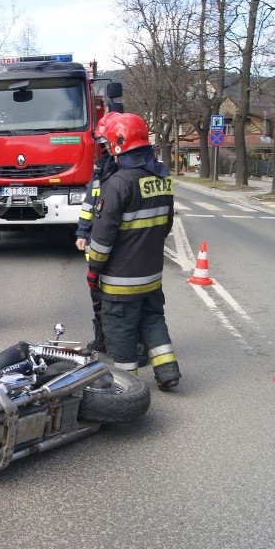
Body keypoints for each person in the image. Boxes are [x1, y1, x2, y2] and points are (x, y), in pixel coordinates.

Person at [87, 113, 181, 391]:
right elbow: (166, 225)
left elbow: (103, 238)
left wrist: (94, 270)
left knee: (120, 329)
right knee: (152, 320)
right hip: (152, 274)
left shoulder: (118, 183)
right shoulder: (162, 178)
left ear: (118, 144)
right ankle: (168, 371)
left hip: (121, 279)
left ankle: (127, 387)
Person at [75, 112, 119, 353]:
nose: (102, 147)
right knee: (98, 296)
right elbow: (89, 204)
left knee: (117, 299)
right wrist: (82, 232)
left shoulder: (123, 173)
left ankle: (120, 342)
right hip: (94, 243)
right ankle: (102, 339)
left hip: (113, 246)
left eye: (105, 142)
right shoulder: (101, 168)